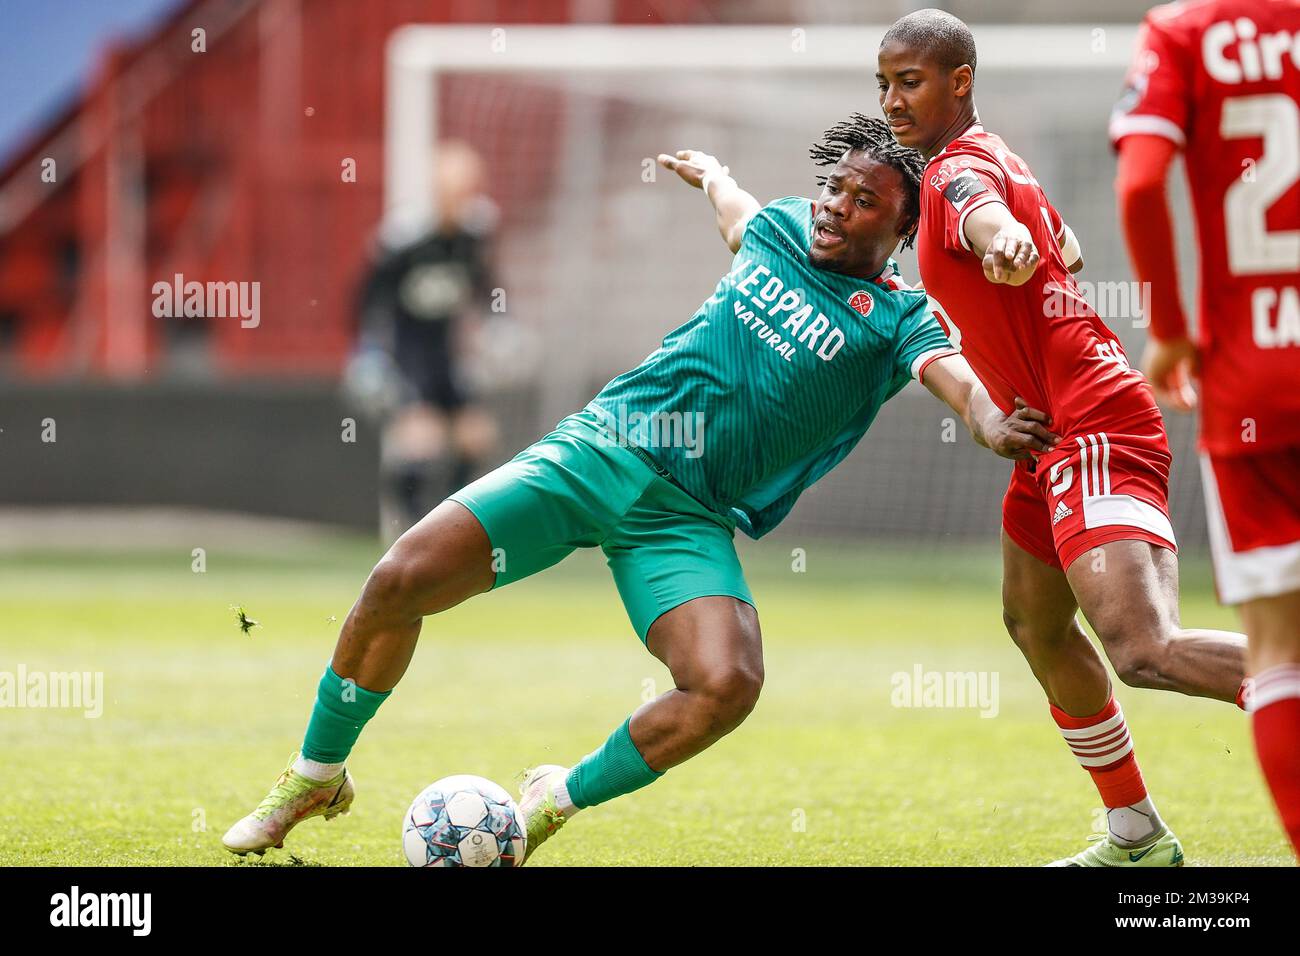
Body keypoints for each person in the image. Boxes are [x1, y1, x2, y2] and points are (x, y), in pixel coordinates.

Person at [222, 116, 1057, 863]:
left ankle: (556, 797)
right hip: (601, 451)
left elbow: (960, 388)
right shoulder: (779, 228)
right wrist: (716, 176)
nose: (836, 205)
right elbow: (740, 213)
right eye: (832, 186)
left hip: (686, 520)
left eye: (864, 199)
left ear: (906, 226)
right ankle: (315, 776)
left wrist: (996, 423)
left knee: (726, 686)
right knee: (398, 579)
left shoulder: (898, 320)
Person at [877, 8, 1252, 866]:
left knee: (1143, 649)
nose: (895, 100)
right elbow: (1065, 252)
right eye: (885, 83)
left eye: (912, 81)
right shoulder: (1000, 154)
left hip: (1091, 422)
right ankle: (1135, 836)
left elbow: (984, 219)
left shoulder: (956, 174)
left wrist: (999, 237)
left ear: (959, 81)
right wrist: (1021, 242)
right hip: (1049, 431)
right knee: (1036, 624)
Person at [1111, 0, 1300, 855]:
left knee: (1280, 658)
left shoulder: (1185, 32)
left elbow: (1144, 181)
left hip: (1252, 379)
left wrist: (1175, 326)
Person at [352, 140, 500, 537]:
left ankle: (451, 531)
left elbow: (486, 286)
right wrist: (366, 354)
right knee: (421, 440)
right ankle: (410, 536)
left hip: (445, 353)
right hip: (406, 353)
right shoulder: (403, 239)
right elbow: (365, 299)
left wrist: (500, 324)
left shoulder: (474, 235)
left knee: (475, 436)